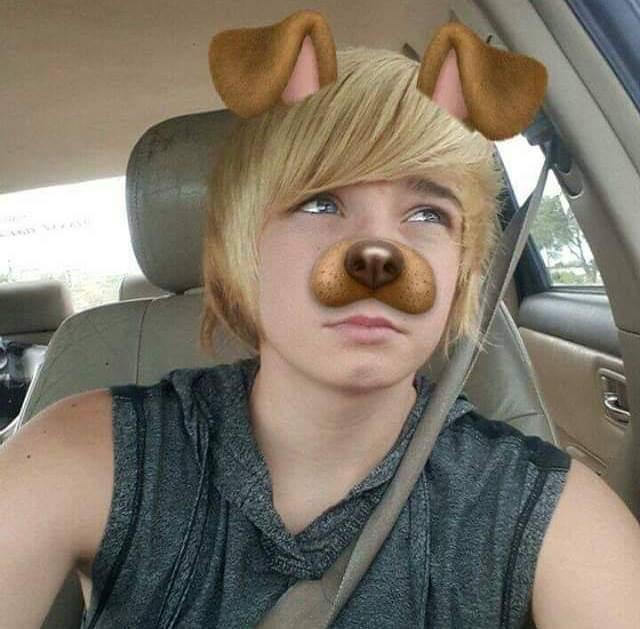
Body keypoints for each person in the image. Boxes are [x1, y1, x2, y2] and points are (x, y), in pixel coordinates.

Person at [1, 9, 639, 629]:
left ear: (464, 267)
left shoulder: (545, 511)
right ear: (244, 246)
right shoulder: (91, 453)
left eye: (428, 214)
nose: (377, 254)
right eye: (320, 203)